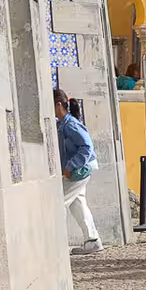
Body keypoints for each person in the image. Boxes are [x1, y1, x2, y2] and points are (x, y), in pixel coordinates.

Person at [54, 89, 102, 255]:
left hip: (80, 169)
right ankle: (92, 240)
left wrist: (70, 166)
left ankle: (54, 243)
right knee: (78, 204)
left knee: (57, 203)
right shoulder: (62, 125)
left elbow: (87, 146)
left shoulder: (71, 125)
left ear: (58, 104)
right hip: (79, 169)